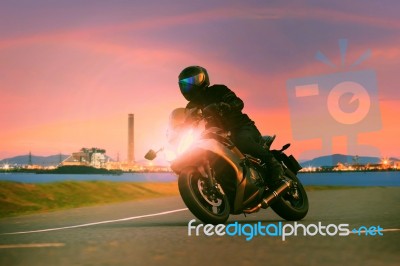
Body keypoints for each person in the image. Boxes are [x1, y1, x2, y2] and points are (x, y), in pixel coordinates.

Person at [178, 65, 284, 188]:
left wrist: (225, 105)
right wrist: (178, 131)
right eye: (184, 84)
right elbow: (186, 122)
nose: (189, 86)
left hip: (241, 127)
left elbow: (238, 102)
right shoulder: (190, 107)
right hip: (216, 138)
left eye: (192, 81)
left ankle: (274, 165)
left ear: (203, 78)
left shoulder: (218, 90)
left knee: (242, 141)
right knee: (210, 159)